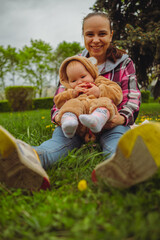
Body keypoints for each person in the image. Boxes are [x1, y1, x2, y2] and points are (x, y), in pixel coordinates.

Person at [0, 12, 160, 191]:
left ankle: (120, 166)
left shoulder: (124, 62)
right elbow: (58, 101)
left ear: (111, 35)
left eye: (102, 33)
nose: (96, 40)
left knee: (116, 142)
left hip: (110, 122)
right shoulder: (73, 63)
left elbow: (132, 96)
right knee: (56, 145)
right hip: (76, 125)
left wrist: (120, 119)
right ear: (83, 35)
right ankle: (28, 157)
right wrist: (67, 119)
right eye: (90, 34)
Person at [54, 55, 123, 142]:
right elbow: (58, 101)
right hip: (79, 127)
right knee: (72, 104)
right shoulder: (70, 90)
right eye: (73, 81)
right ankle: (69, 122)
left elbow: (117, 94)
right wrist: (72, 93)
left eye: (83, 77)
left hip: (104, 126)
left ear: (91, 73)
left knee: (104, 101)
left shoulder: (100, 81)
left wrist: (99, 91)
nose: (79, 82)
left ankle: (98, 118)